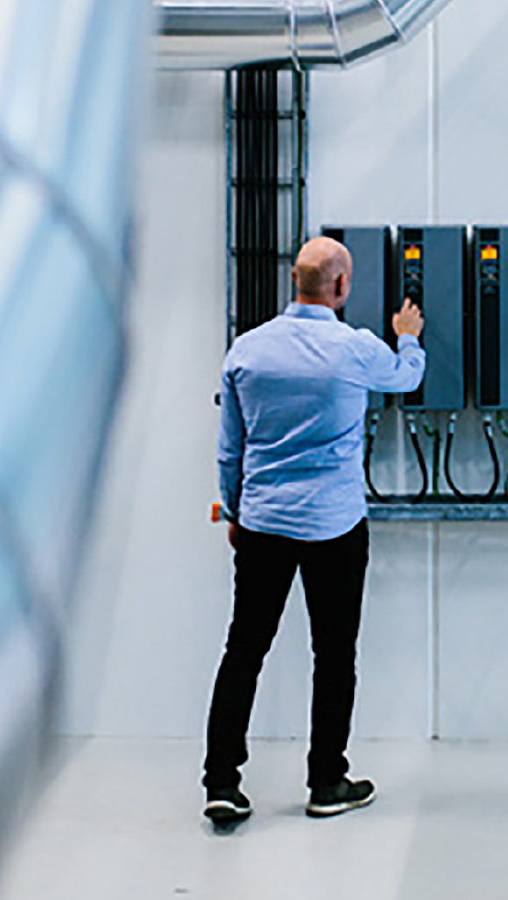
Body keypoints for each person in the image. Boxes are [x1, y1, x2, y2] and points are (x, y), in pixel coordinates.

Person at [204, 236, 426, 825]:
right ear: (343, 286)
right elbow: (405, 379)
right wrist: (408, 334)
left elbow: (231, 450)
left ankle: (222, 783)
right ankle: (327, 781)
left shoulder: (247, 351)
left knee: (243, 651)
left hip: (264, 522)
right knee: (333, 655)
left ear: (294, 282)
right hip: (334, 524)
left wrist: (234, 512)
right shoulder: (354, 348)